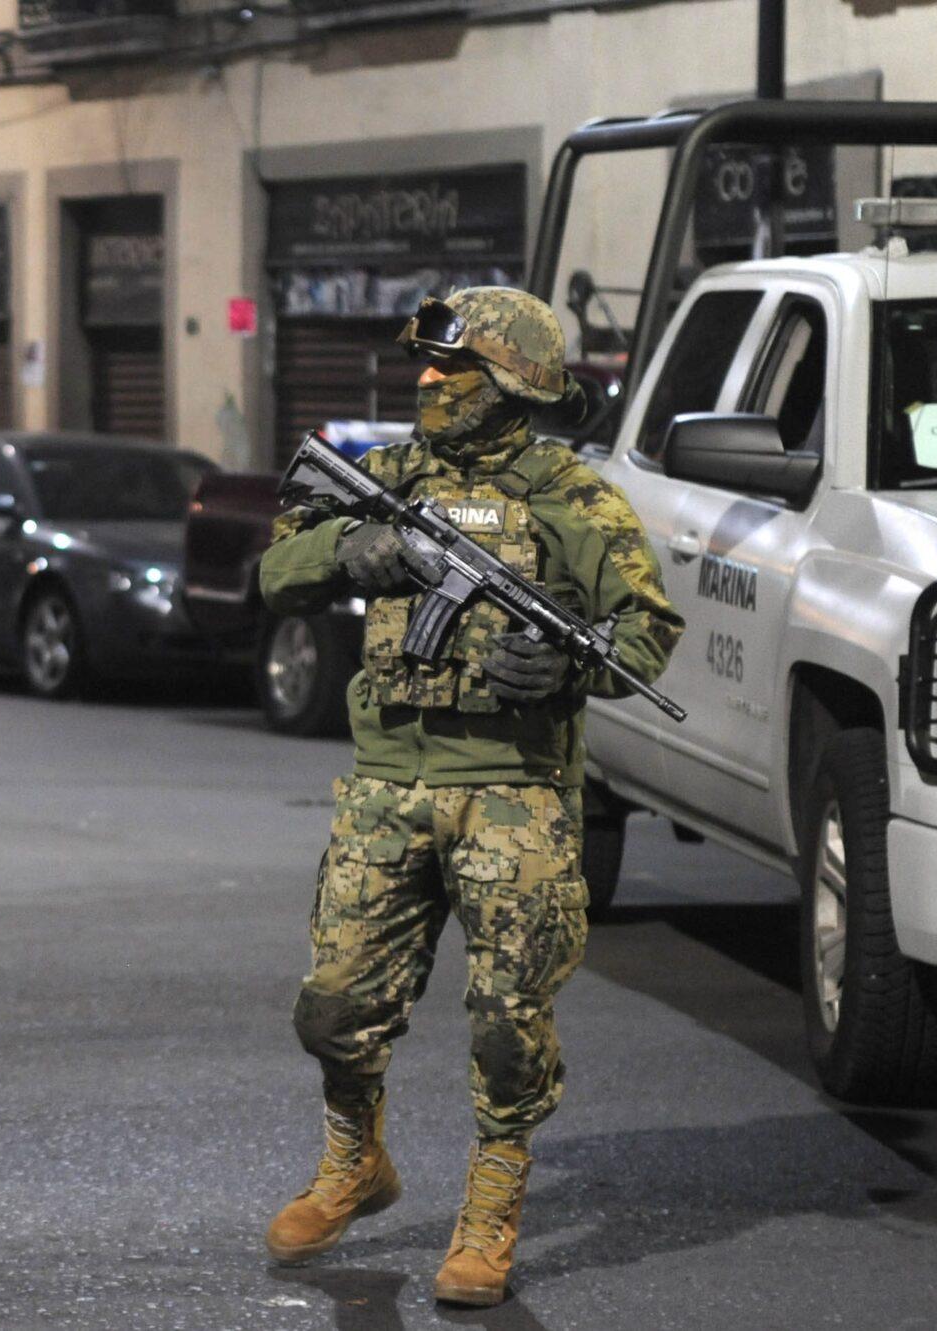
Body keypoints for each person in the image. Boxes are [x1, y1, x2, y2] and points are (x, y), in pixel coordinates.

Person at [257, 286, 682, 1304]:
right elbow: (277, 572)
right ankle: (355, 1157)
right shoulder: (388, 479)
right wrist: (355, 552)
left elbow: (646, 626)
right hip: (386, 782)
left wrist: (573, 668)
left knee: (507, 1014)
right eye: (430, 364)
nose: (429, 380)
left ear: (513, 384)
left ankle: (490, 1201)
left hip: (513, 792)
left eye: (453, 368)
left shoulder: (571, 498)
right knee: (333, 1004)